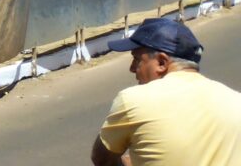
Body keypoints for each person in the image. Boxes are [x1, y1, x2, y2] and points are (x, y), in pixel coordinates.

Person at [90, 17, 241, 165]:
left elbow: (103, 160)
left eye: (137, 59)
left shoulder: (133, 100)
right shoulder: (235, 101)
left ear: (162, 62)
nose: (132, 68)